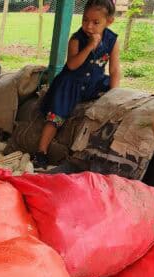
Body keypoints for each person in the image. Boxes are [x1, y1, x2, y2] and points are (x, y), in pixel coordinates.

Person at [33, 0, 122, 168]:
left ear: (109, 22)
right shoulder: (76, 39)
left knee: (112, 88)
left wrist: (114, 93)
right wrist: (89, 47)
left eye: (96, 22)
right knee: (56, 116)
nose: (88, 26)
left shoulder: (112, 40)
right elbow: (72, 65)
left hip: (94, 82)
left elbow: (115, 69)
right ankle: (41, 152)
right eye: (85, 20)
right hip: (70, 84)